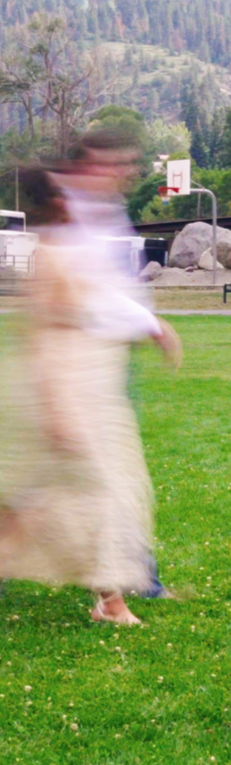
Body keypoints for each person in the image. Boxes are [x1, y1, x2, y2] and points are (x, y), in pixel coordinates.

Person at [0, 167, 180, 625]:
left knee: (70, 494)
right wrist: (56, 407)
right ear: (54, 202)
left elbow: (104, 304)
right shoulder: (51, 257)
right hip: (65, 382)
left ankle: (110, 597)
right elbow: (41, 336)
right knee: (80, 493)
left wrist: (149, 327)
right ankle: (111, 601)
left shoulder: (72, 250)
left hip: (92, 379)